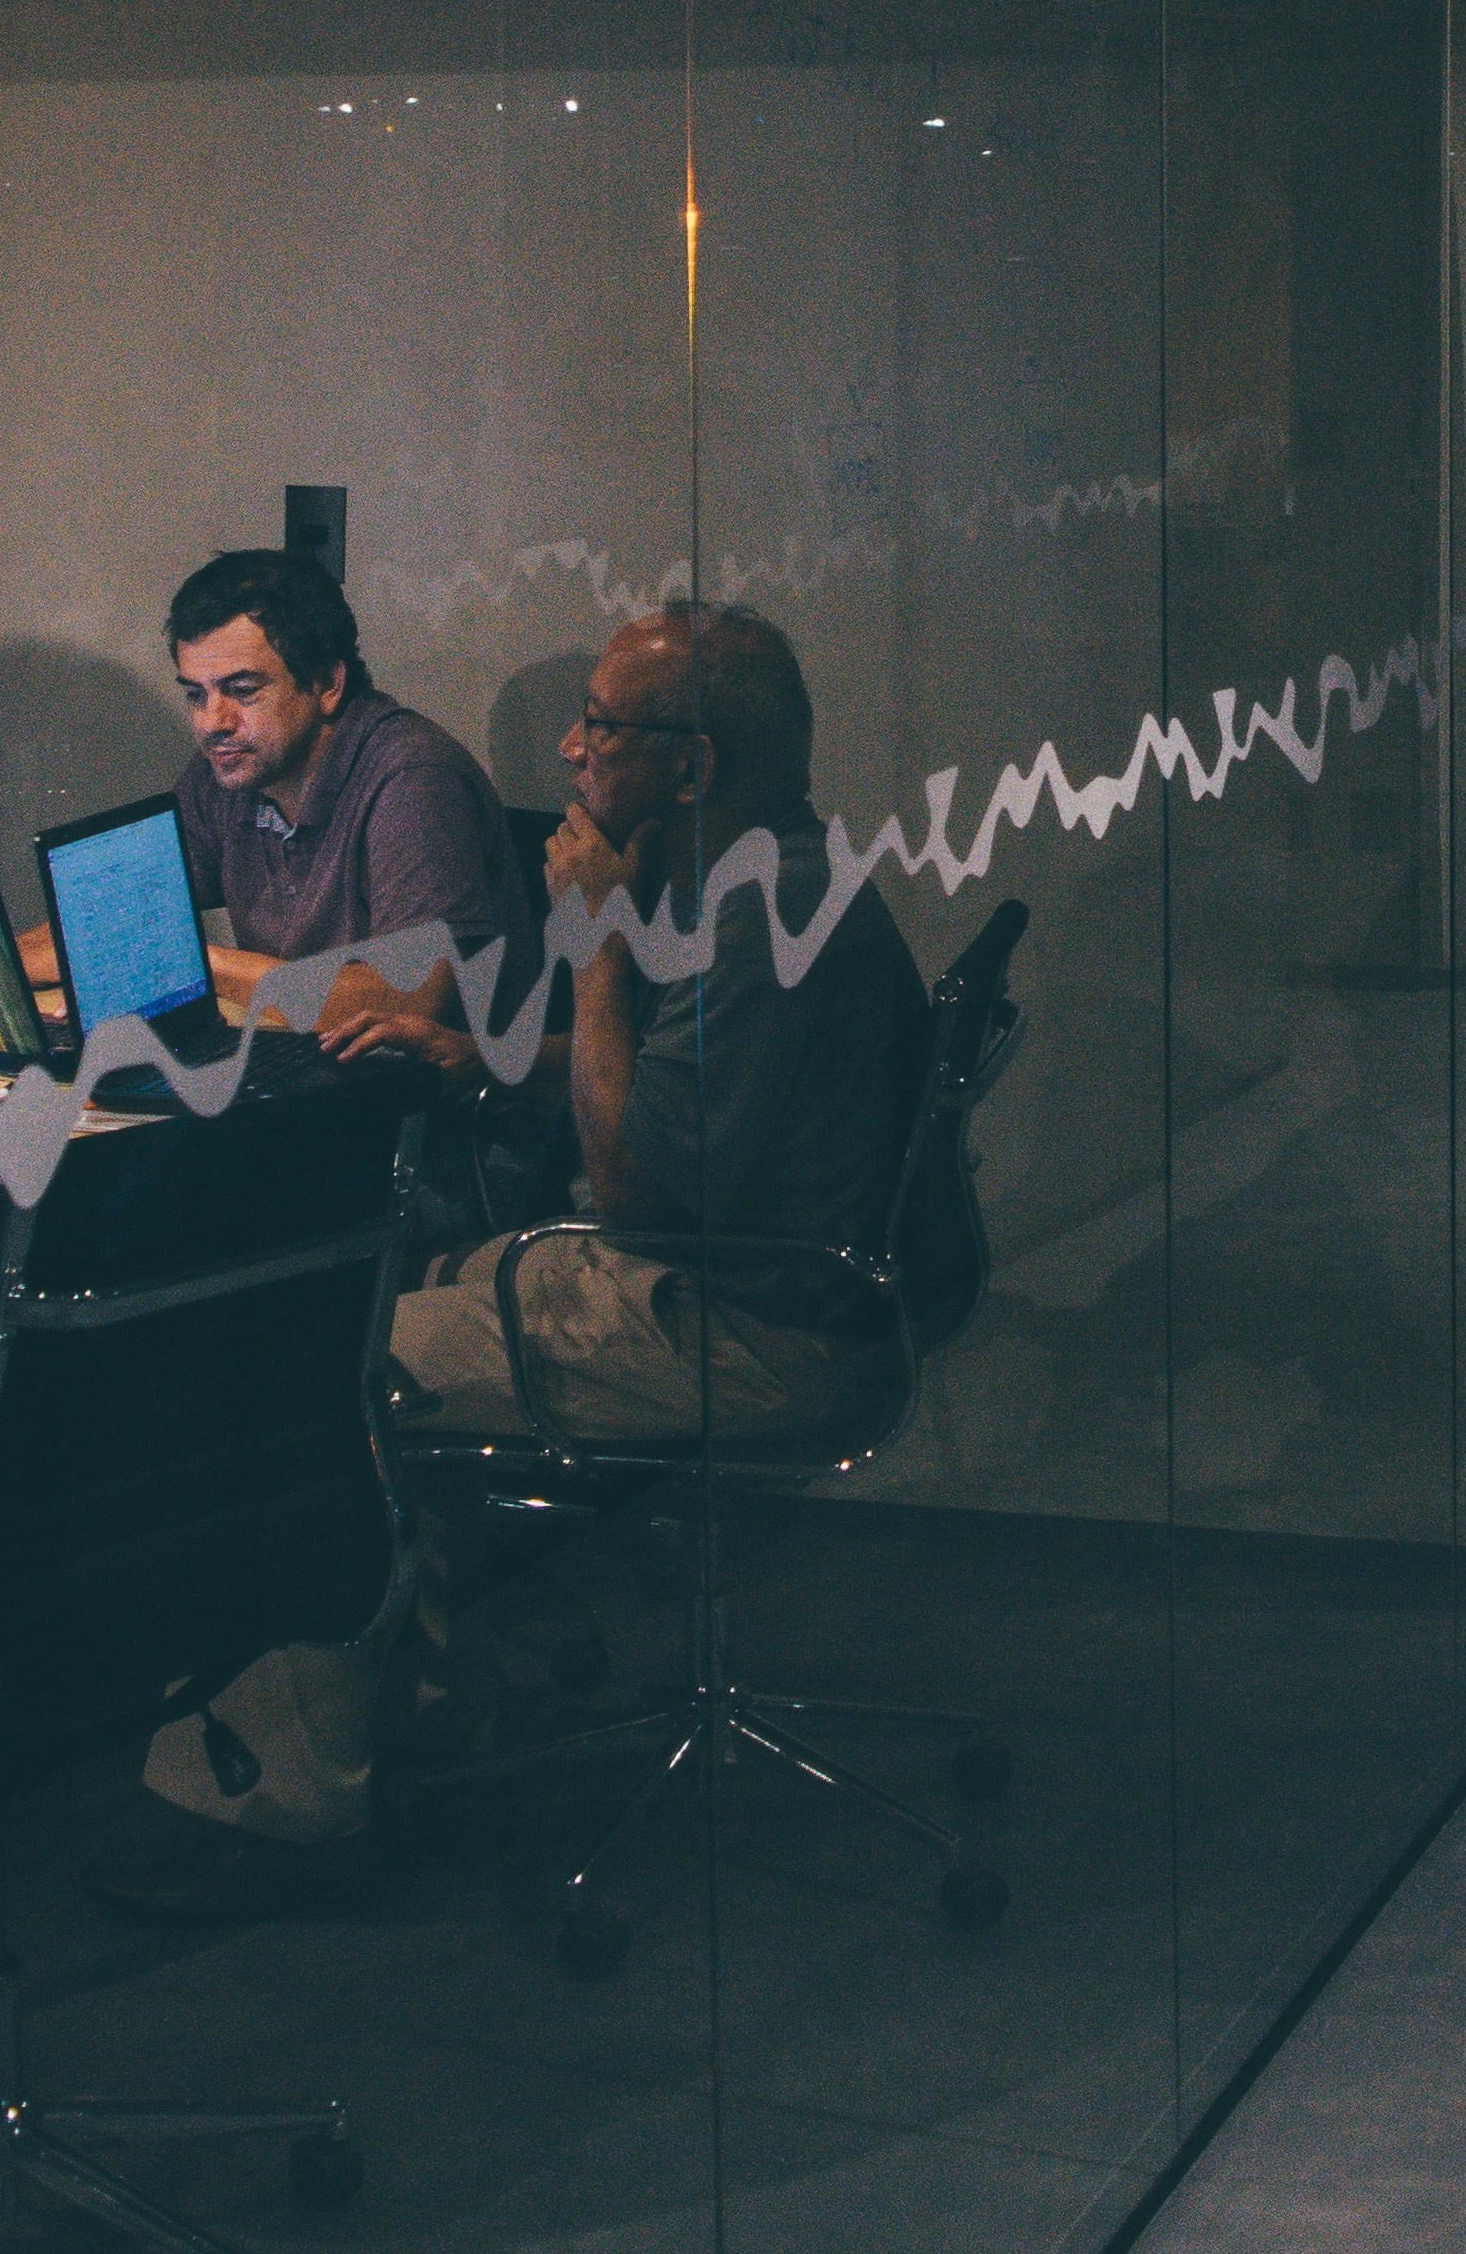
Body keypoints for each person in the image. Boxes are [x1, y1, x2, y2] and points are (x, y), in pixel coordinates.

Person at [103, 603, 935, 1919]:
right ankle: (423, 1697)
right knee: (379, 1299)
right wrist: (484, 1055)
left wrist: (595, 931)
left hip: (738, 1323)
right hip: (733, 1280)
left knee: (312, 1373)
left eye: (600, 725)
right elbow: (660, 1104)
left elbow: (635, 1181)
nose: (567, 748)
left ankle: (283, 1790)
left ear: (693, 765)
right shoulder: (774, 872)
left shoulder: (747, 916)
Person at [151, 547, 522, 1066]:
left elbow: (407, 1002)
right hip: (307, 1077)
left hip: (423, 1114)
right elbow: (119, 924)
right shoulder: (228, 770)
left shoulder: (413, 779)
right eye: (196, 695)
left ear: (327, 684)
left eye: (242, 690)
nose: (213, 722)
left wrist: (200, 967)